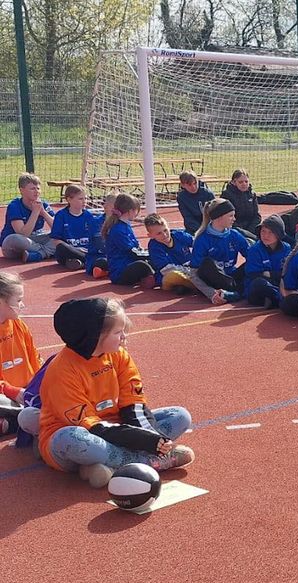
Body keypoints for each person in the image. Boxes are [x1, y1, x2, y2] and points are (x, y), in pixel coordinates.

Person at [37, 298, 194, 488]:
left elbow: (133, 404)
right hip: (81, 433)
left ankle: (107, 467)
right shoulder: (61, 372)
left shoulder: (119, 354)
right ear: (95, 336)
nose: (124, 337)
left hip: (119, 426)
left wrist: (153, 437)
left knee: (179, 416)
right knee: (73, 438)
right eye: (118, 332)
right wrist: (150, 444)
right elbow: (93, 427)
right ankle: (150, 462)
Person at [0, 272, 41, 436]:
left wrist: (38, 387)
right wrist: (14, 392)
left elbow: (35, 359)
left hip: (27, 393)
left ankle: (13, 423)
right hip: (7, 395)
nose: (22, 305)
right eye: (18, 300)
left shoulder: (20, 325)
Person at [144, 214, 218, 299]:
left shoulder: (178, 235)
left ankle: (189, 287)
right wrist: (189, 270)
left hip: (190, 269)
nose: (164, 235)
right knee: (173, 276)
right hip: (173, 274)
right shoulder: (154, 246)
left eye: (165, 230)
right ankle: (197, 286)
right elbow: (166, 269)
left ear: (168, 226)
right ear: (150, 236)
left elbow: (198, 244)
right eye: (159, 233)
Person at [190, 199, 250, 303]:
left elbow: (250, 256)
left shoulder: (234, 235)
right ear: (218, 217)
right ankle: (237, 293)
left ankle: (233, 293)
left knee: (254, 260)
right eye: (231, 216)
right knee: (207, 263)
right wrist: (211, 293)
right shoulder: (202, 240)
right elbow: (194, 274)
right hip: (214, 282)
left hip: (231, 278)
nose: (234, 219)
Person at [102, 194, 156, 290]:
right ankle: (154, 279)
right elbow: (131, 251)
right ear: (130, 211)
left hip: (128, 263)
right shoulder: (118, 229)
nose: (137, 214)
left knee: (155, 260)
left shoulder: (125, 225)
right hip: (120, 272)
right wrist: (150, 254)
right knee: (142, 265)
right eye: (136, 211)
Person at [3, 173, 56, 263]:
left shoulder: (43, 204)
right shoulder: (15, 206)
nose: (36, 191)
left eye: (38, 188)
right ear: (22, 190)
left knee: (61, 235)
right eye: (32, 189)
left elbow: (57, 228)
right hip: (16, 245)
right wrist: (35, 212)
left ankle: (38, 255)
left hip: (37, 239)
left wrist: (43, 213)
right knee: (13, 238)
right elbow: (23, 234)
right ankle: (48, 252)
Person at [49, 185, 101, 272]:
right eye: (81, 199)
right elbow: (56, 240)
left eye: (86, 198)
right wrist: (73, 249)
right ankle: (88, 262)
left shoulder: (88, 215)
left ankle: (79, 263)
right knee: (61, 248)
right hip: (69, 250)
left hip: (86, 250)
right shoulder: (61, 215)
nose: (85, 201)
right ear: (69, 199)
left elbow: (95, 237)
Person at [244, 215, 291, 309]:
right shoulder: (255, 249)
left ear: (278, 234)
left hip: (278, 282)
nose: (265, 235)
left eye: (270, 232)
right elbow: (254, 274)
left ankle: (274, 300)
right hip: (260, 286)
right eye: (263, 231)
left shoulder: (286, 248)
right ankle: (282, 299)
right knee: (259, 283)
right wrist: (276, 275)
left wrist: (269, 274)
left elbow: (287, 272)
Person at [220, 168, 261, 239]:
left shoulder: (252, 195)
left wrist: (250, 230)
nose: (244, 184)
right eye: (240, 182)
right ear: (233, 182)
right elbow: (226, 217)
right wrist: (243, 231)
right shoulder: (226, 195)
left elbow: (257, 216)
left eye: (246, 181)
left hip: (251, 229)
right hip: (234, 229)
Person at [176, 171, 214, 235]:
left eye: (195, 183)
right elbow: (188, 217)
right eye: (189, 185)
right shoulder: (181, 197)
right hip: (193, 229)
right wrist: (200, 230)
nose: (193, 187)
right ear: (183, 185)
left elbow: (215, 213)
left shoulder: (207, 194)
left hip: (210, 227)